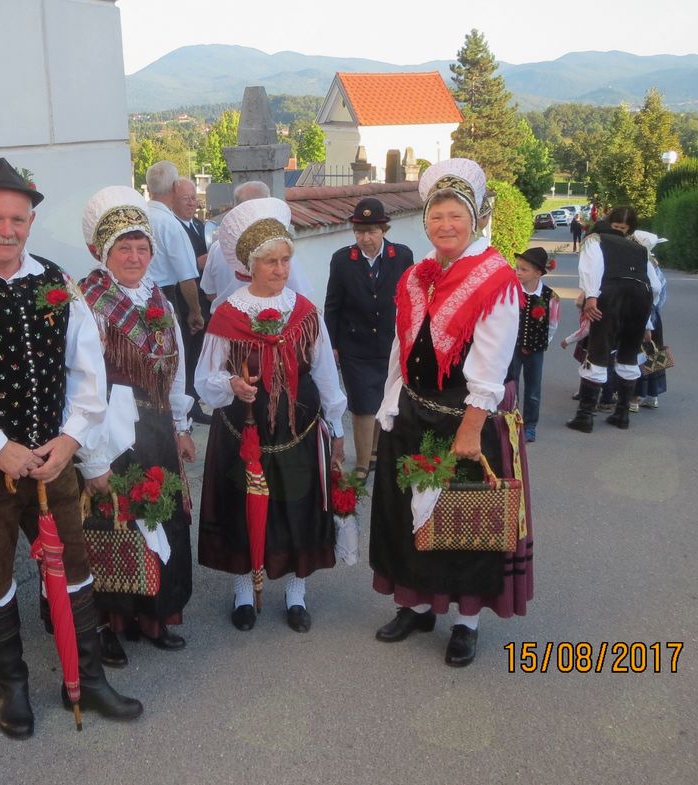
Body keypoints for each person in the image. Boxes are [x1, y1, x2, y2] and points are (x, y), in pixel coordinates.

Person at [0, 159, 143, 740]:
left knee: (73, 567)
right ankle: (11, 682)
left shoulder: (55, 282)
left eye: (18, 219)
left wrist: (71, 438)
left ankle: (86, 678)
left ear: (31, 222)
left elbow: (88, 369)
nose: (7, 230)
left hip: (52, 460)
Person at [369, 158, 532, 667]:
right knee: (406, 516)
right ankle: (417, 607)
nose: (445, 225)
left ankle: (466, 623)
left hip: (463, 419)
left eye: (455, 215)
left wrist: (471, 428)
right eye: (436, 216)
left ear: (476, 219)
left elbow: (491, 361)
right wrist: (390, 402)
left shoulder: (494, 278)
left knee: (464, 522)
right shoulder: (418, 275)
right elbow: (402, 344)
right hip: (413, 411)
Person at [195, 197, 346, 634]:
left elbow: (325, 371)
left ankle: (296, 593)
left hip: (298, 429)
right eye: (270, 262)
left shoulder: (304, 313)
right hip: (243, 432)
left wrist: (337, 426)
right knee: (243, 507)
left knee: (297, 506)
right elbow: (205, 378)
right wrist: (232, 385)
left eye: (285, 260)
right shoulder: (227, 316)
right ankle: (244, 590)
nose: (280, 270)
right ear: (250, 265)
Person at [77, 185, 196, 666]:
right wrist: (91, 452)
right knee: (111, 520)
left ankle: (153, 615)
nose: (134, 256)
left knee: (159, 512)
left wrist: (181, 424)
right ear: (104, 252)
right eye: (123, 247)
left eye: (141, 247)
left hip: (157, 427)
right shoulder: (89, 301)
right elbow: (80, 378)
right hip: (111, 429)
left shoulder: (159, 299)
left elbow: (177, 364)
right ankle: (109, 623)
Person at [324, 197, 414, 480]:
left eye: (371, 231)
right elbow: (332, 305)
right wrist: (332, 345)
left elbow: (411, 300)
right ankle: (363, 463)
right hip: (355, 345)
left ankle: (375, 450)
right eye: (359, 232)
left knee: (384, 400)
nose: (365, 238)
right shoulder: (342, 260)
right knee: (362, 405)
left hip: (390, 344)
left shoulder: (402, 256)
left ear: (383, 230)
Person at [566, 206, 656, 432]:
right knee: (629, 354)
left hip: (611, 296)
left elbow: (591, 268)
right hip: (641, 299)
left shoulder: (595, 239)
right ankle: (622, 415)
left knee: (599, 349)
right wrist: (647, 322)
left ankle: (585, 417)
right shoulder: (640, 249)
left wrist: (591, 296)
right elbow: (654, 286)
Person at [200, 181, 314, 311]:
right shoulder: (278, 247)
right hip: (270, 319)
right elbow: (299, 293)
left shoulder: (217, 247)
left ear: (236, 207)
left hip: (226, 316)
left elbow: (210, 293)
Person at [145, 161, 205, 338]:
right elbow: (186, 277)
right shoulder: (171, 224)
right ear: (174, 187)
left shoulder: (140, 215)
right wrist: (195, 311)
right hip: (164, 296)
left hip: (137, 294)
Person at [170, 177, 212, 424]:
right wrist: (199, 262)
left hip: (203, 299)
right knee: (186, 355)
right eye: (186, 198)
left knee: (198, 354)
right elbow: (180, 267)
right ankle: (187, 407)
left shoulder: (199, 225)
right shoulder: (173, 227)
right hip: (184, 301)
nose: (192, 203)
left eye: (194, 198)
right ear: (173, 199)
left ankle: (194, 400)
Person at [507, 247, 560, 442]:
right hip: (512, 347)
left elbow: (553, 324)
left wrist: (542, 342)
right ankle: (511, 421)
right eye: (517, 268)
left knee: (533, 388)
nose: (518, 272)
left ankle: (530, 425)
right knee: (511, 384)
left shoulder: (550, 296)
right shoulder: (511, 291)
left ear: (538, 273)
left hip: (536, 349)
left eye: (524, 269)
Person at [632, 231, 669, 409]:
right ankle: (653, 394)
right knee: (653, 350)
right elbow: (663, 293)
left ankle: (635, 397)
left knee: (638, 352)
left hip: (642, 312)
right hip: (654, 314)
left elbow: (655, 288)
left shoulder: (642, 263)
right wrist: (655, 308)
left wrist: (647, 307)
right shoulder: (654, 263)